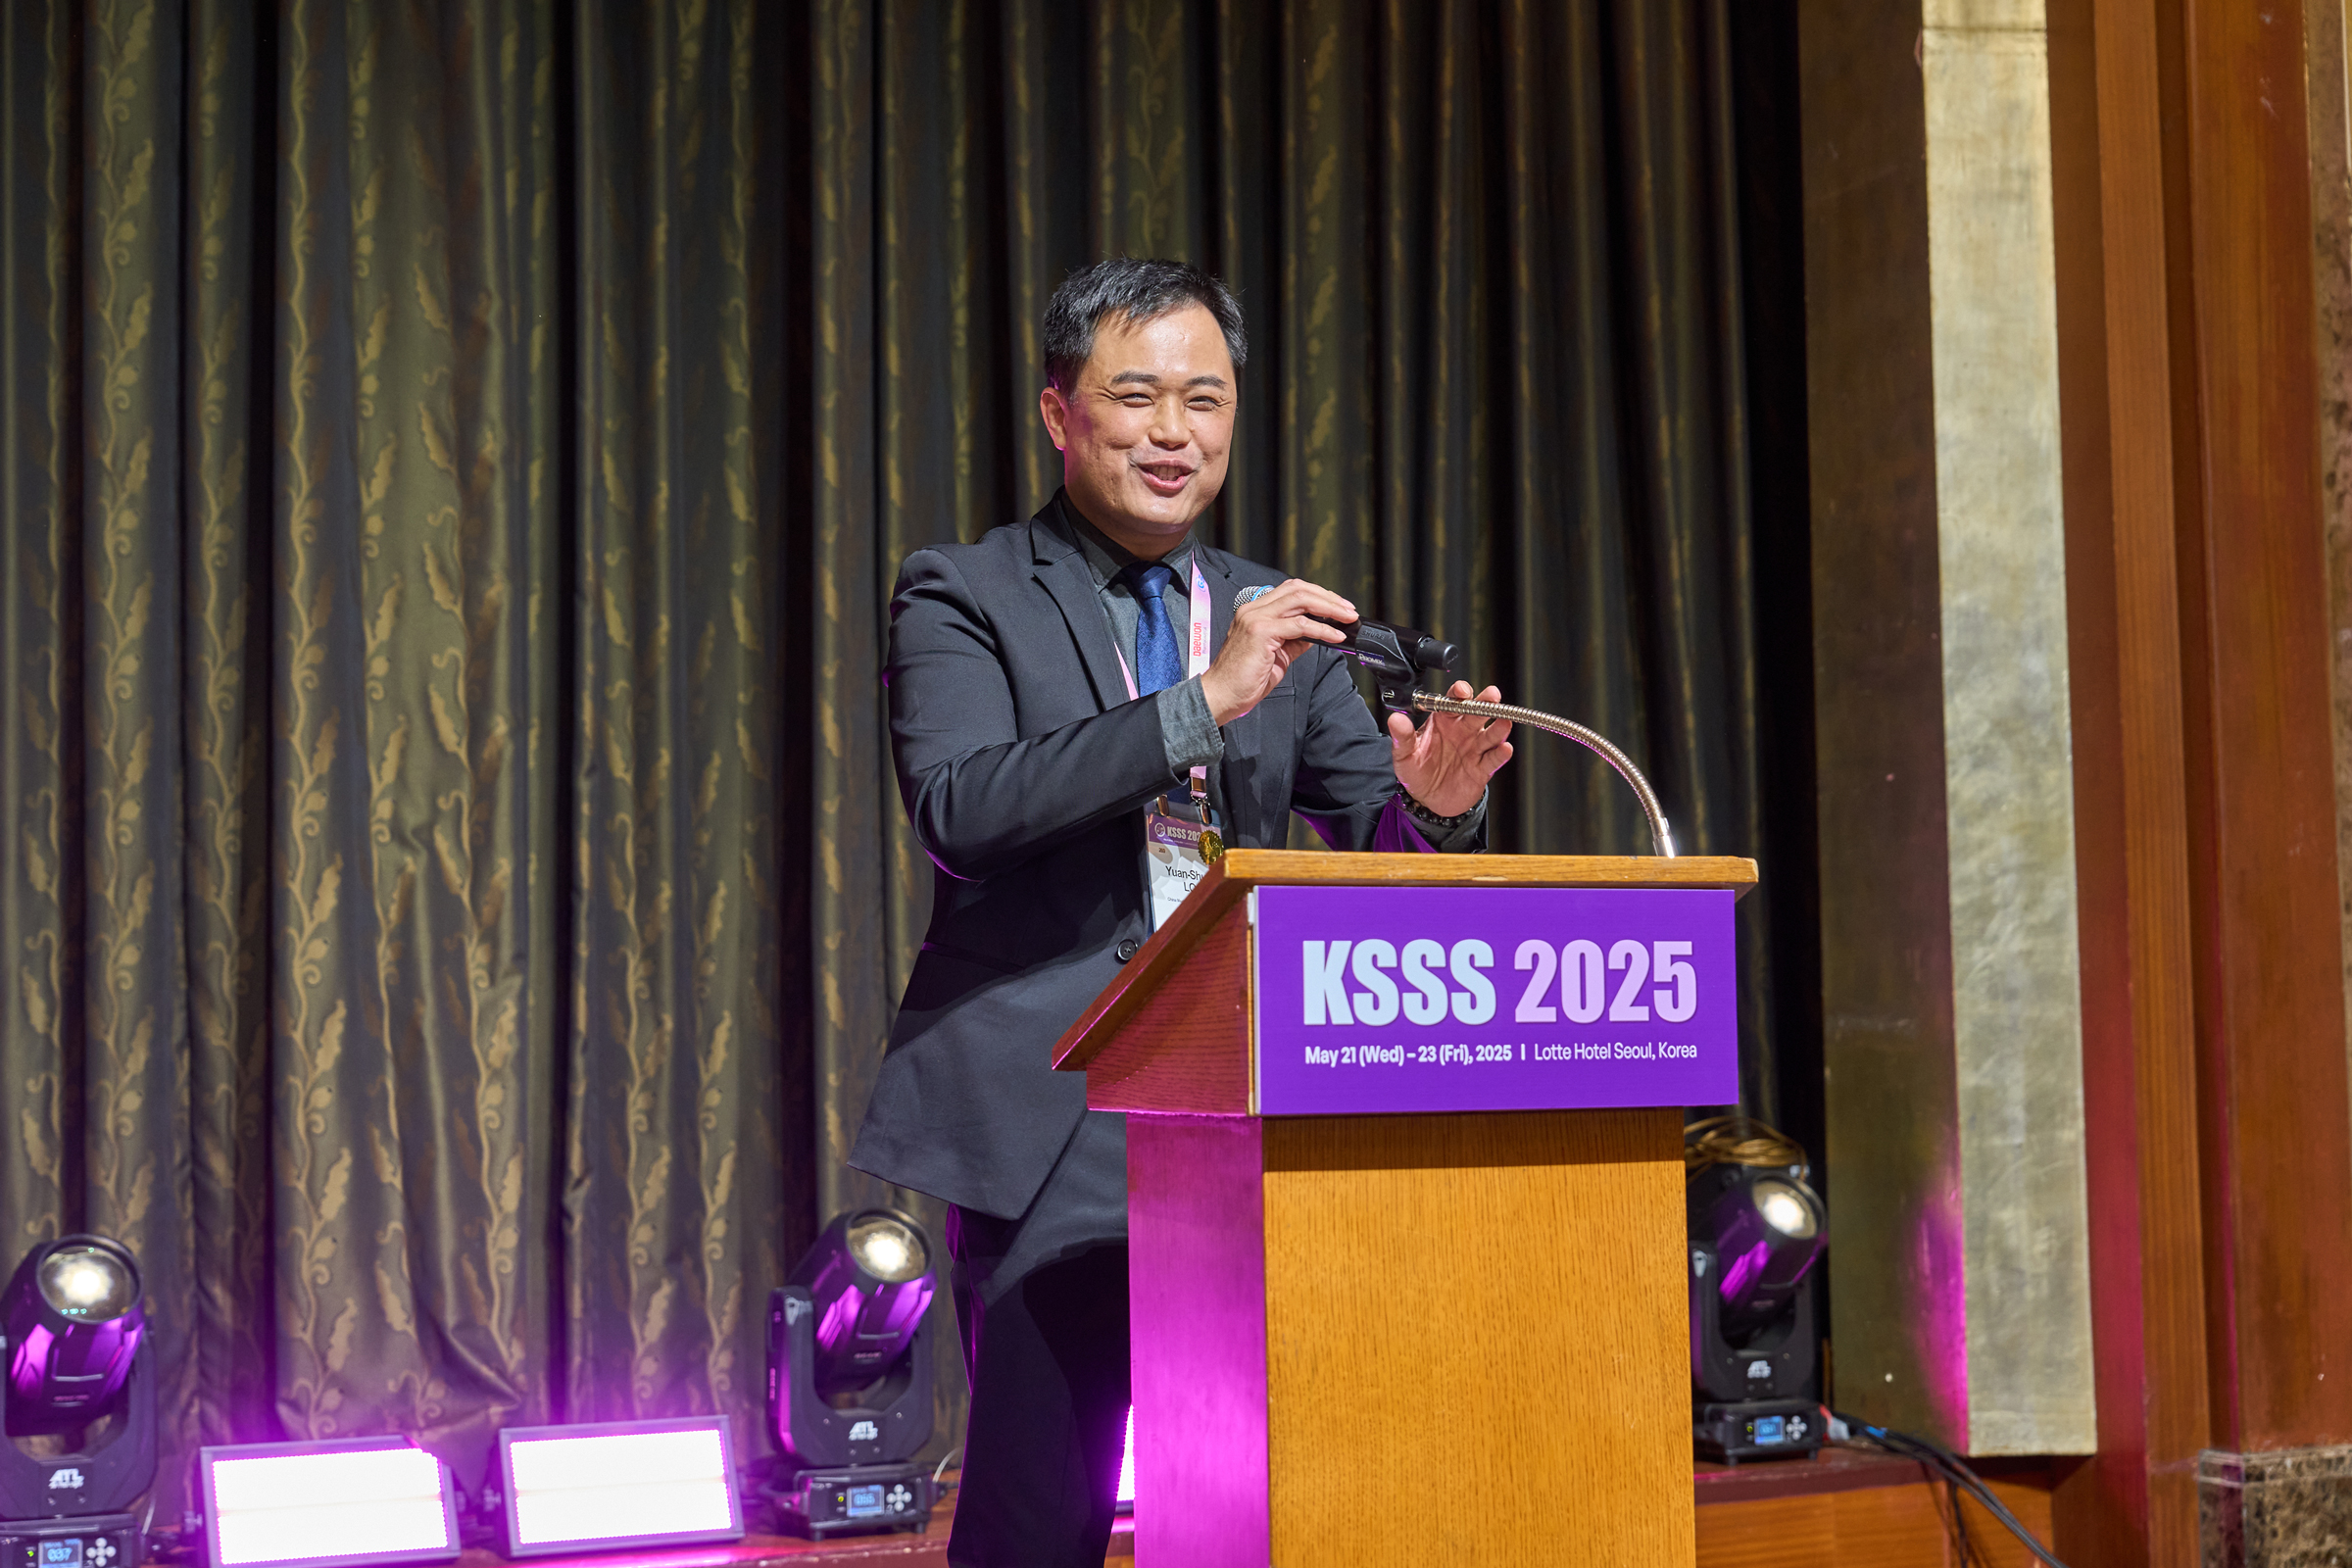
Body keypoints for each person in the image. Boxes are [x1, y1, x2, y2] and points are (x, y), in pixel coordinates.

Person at [848, 258, 1516, 1568]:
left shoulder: (1276, 619)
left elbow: (1375, 847)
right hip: (1063, 1116)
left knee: (1283, 1504)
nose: (1174, 433)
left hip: (1258, 1107)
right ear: (1059, 410)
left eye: (1204, 401)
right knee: (1040, 1519)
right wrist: (1203, 702)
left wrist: (1434, 808)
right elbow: (963, 808)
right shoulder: (966, 591)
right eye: (1136, 396)